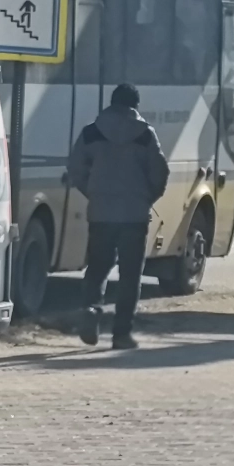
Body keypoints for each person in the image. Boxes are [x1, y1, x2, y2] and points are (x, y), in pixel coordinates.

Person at [66, 83, 170, 350]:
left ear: (111, 103)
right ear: (135, 105)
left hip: (101, 212)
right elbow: (160, 172)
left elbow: (76, 169)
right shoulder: (145, 134)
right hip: (135, 215)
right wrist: (147, 197)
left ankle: (91, 309)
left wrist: (93, 192)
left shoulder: (91, 132)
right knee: (130, 276)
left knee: (98, 267)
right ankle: (121, 334)